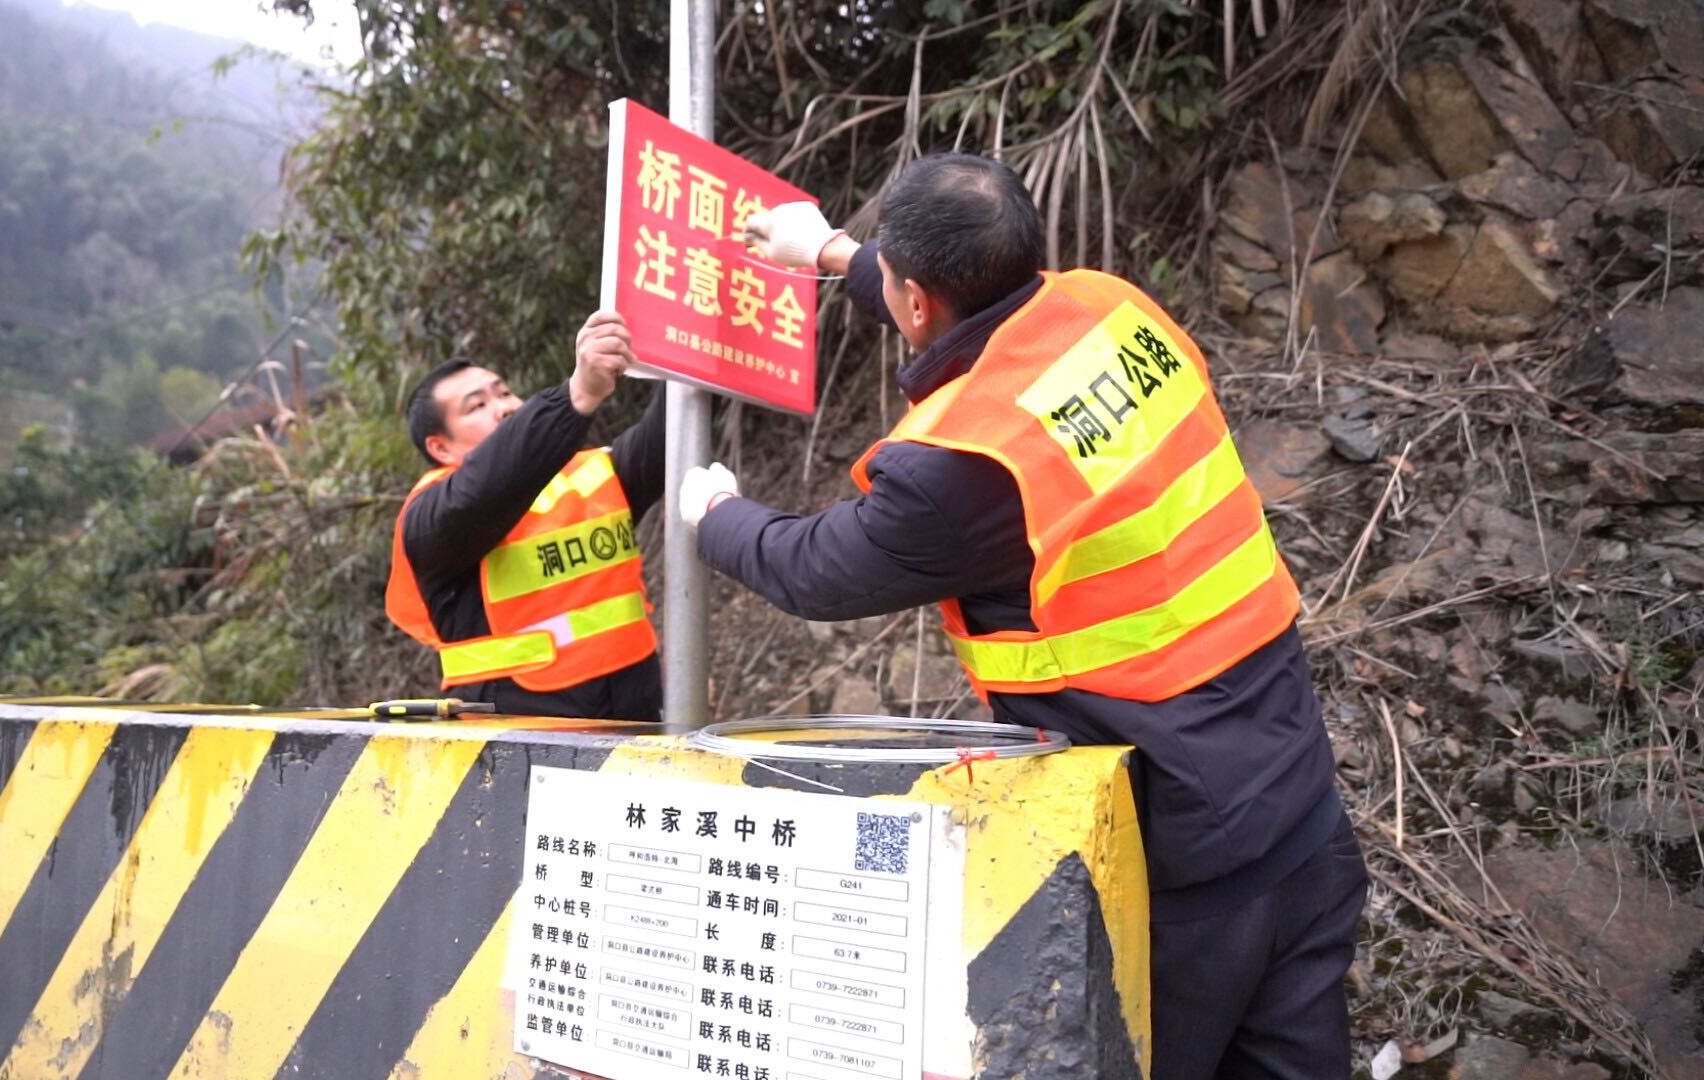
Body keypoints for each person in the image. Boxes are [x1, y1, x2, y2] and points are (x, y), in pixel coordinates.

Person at [680, 154, 1367, 1078]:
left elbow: (817, 572)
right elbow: (984, 319)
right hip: (1299, 798)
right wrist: (835, 253)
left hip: (1187, 868)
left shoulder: (958, 466)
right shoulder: (1106, 307)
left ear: (914, 296)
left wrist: (713, 515)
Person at [386, 311, 666, 722]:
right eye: (476, 406)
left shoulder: (592, 474)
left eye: (503, 393)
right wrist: (577, 394)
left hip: (634, 715)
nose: (503, 407)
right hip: (516, 736)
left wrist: (699, 353)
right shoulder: (433, 517)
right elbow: (489, 485)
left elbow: (671, 434)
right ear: (441, 448)